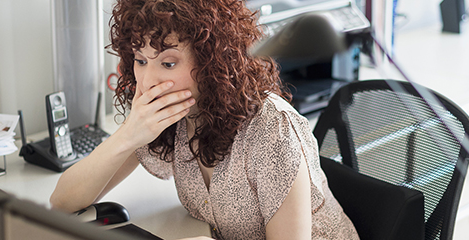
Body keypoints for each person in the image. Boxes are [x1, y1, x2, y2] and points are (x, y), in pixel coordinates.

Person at [49, 0, 359, 239]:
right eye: (140, 61)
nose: (148, 80)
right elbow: (62, 203)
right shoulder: (168, 117)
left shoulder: (271, 128)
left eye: (168, 63)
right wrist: (128, 134)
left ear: (212, 60)